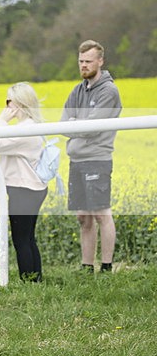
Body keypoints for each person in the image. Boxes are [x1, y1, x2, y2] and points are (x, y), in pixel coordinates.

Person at [61, 40, 122, 274]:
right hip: (76, 160)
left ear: (100, 61)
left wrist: (77, 123)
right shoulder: (77, 90)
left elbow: (93, 127)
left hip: (97, 158)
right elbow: (63, 123)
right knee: (83, 217)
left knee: (101, 212)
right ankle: (87, 267)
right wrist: (78, 124)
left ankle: (106, 267)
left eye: (88, 61)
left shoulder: (109, 91)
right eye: (81, 61)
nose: (84, 65)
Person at [0, 83, 48, 282]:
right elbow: (0, 141)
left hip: (23, 189)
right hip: (30, 188)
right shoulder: (28, 127)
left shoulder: (26, 130)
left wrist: (2, 120)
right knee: (28, 238)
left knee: (21, 240)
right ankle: (35, 280)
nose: (7, 105)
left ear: (20, 103)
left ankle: (29, 282)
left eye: (9, 101)